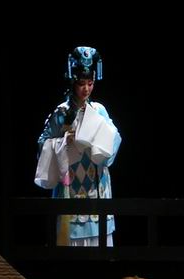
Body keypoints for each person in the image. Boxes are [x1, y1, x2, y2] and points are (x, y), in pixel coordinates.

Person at [35, 46, 121, 247]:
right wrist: (63, 143)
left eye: (90, 84)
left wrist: (100, 145)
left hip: (97, 186)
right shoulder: (61, 113)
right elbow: (42, 146)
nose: (86, 89)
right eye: (81, 84)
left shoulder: (99, 111)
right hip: (71, 187)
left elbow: (114, 141)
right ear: (73, 82)